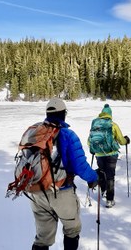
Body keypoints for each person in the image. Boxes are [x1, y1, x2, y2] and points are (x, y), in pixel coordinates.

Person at [30, 98, 99, 250]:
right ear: (63, 114)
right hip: (61, 191)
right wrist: (94, 177)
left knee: (43, 238)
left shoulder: (35, 133)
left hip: (37, 192)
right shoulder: (67, 135)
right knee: (72, 230)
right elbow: (80, 165)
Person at [89, 104, 130, 208]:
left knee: (102, 171)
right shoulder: (113, 124)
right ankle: (110, 200)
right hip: (111, 154)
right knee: (110, 176)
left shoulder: (95, 124)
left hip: (99, 154)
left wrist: (93, 149)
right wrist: (127, 141)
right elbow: (121, 140)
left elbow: (90, 140)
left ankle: (102, 190)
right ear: (110, 114)